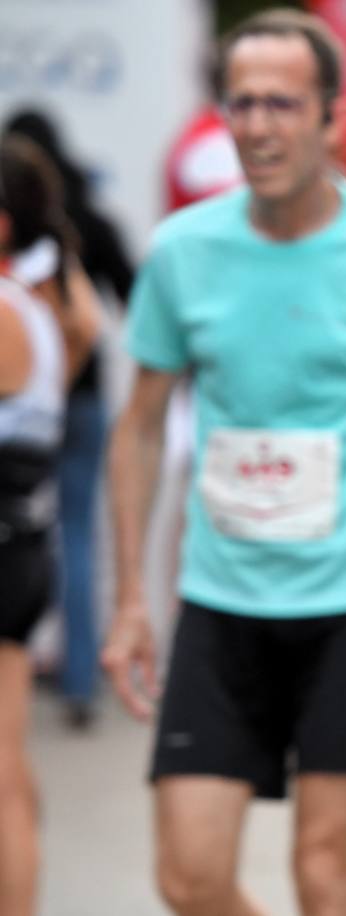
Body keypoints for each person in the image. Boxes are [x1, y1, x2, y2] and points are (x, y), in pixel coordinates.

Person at [98, 10, 346, 915]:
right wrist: (126, 604)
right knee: (188, 876)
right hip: (222, 599)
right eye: (242, 104)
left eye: (282, 103)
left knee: (324, 869)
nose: (259, 125)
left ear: (333, 118)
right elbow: (141, 427)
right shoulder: (184, 253)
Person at [3, 109, 136, 728]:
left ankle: (51, 664)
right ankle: (79, 675)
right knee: (76, 535)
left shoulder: (19, 264)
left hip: (28, 409)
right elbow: (102, 313)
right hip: (76, 403)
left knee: (35, 535)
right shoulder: (76, 229)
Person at [0, 134, 101, 916]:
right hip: (20, 547)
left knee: (1, 773)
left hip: (9, 547)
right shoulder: (42, 306)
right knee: (6, 767)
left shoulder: (11, 308)